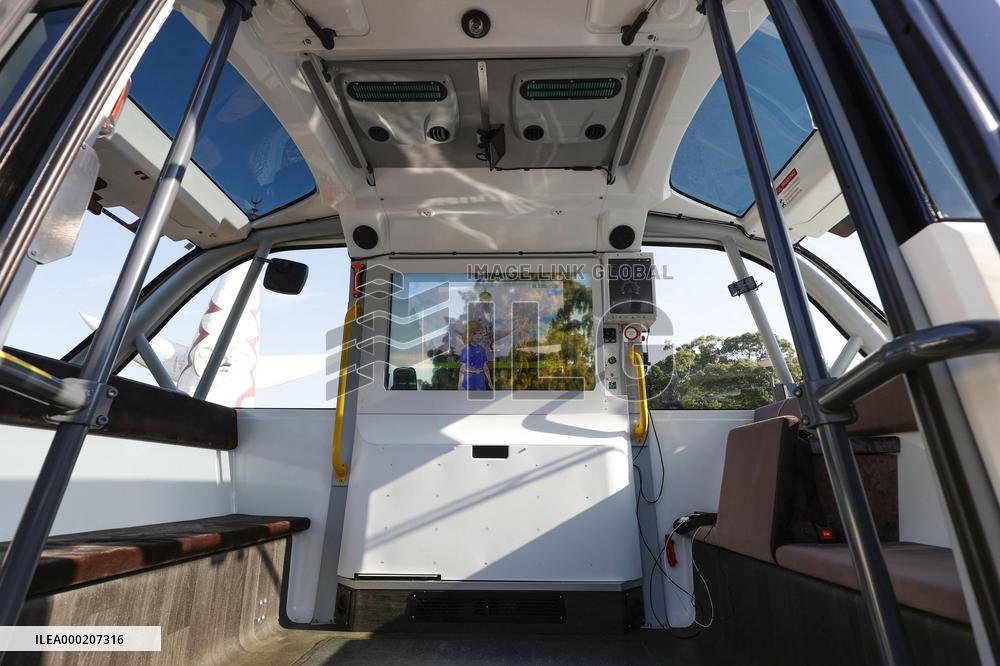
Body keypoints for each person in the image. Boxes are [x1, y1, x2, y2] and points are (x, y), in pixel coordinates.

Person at [458, 319, 493, 390]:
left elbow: (485, 367)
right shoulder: (465, 350)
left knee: (480, 397)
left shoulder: (482, 350)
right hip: (468, 379)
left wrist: (490, 382)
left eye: (480, 333)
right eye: (474, 333)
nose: (478, 336)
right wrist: (459, 384)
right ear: (469, 334)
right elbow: (462, 368)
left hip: (480, 379)